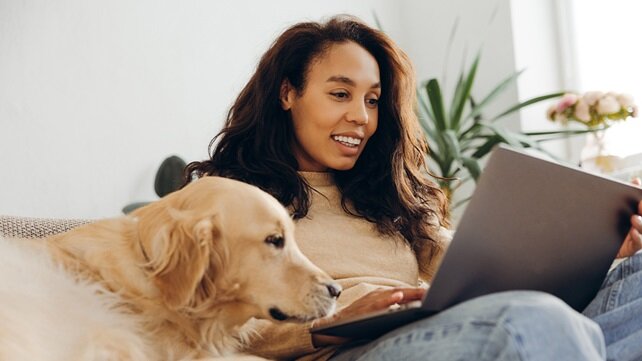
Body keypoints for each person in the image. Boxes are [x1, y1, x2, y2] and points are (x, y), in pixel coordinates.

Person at [184, 15, 642, 361]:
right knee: (532, 319)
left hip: (440, 327)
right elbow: (203, 322)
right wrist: (331, 324)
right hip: (352, 350)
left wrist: (597, 251)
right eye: (340, 94)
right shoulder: (235, 200)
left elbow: (478, 270)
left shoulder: (386, 196)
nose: (361, 117)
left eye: (373, 100)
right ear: (288, 93)